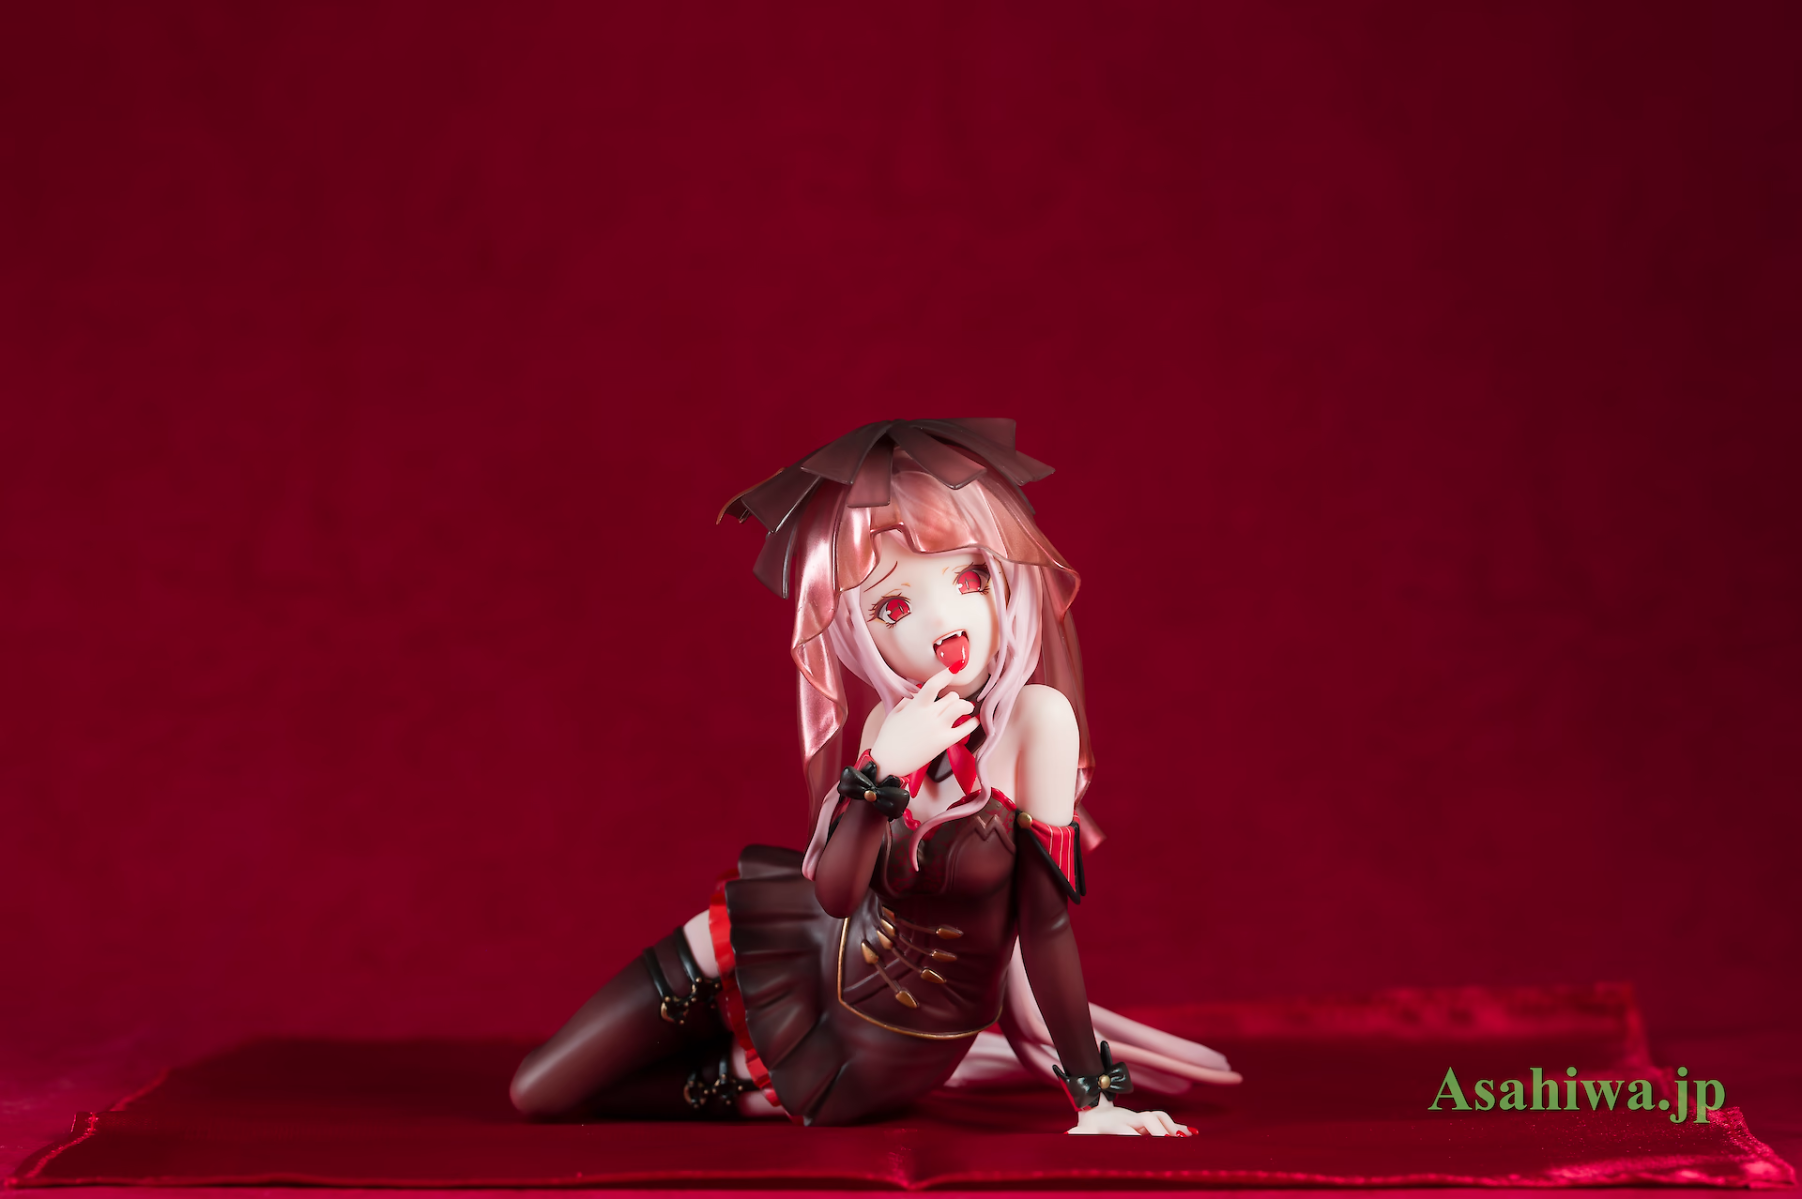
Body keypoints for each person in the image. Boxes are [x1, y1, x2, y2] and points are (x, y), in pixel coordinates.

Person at [509, 419, 1240, 1134]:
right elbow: (835, 894)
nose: (944, 624)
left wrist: (1093, 1098)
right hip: (816, 945)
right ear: (860, 632)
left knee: (582, 1098)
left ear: (1006, 579)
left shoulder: (1038, 721)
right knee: (537, 1087)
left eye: (968, 576)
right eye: (894, 605)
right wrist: (884, 767)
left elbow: (1045, 925)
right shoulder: (889, 727)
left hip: (890, 1042)